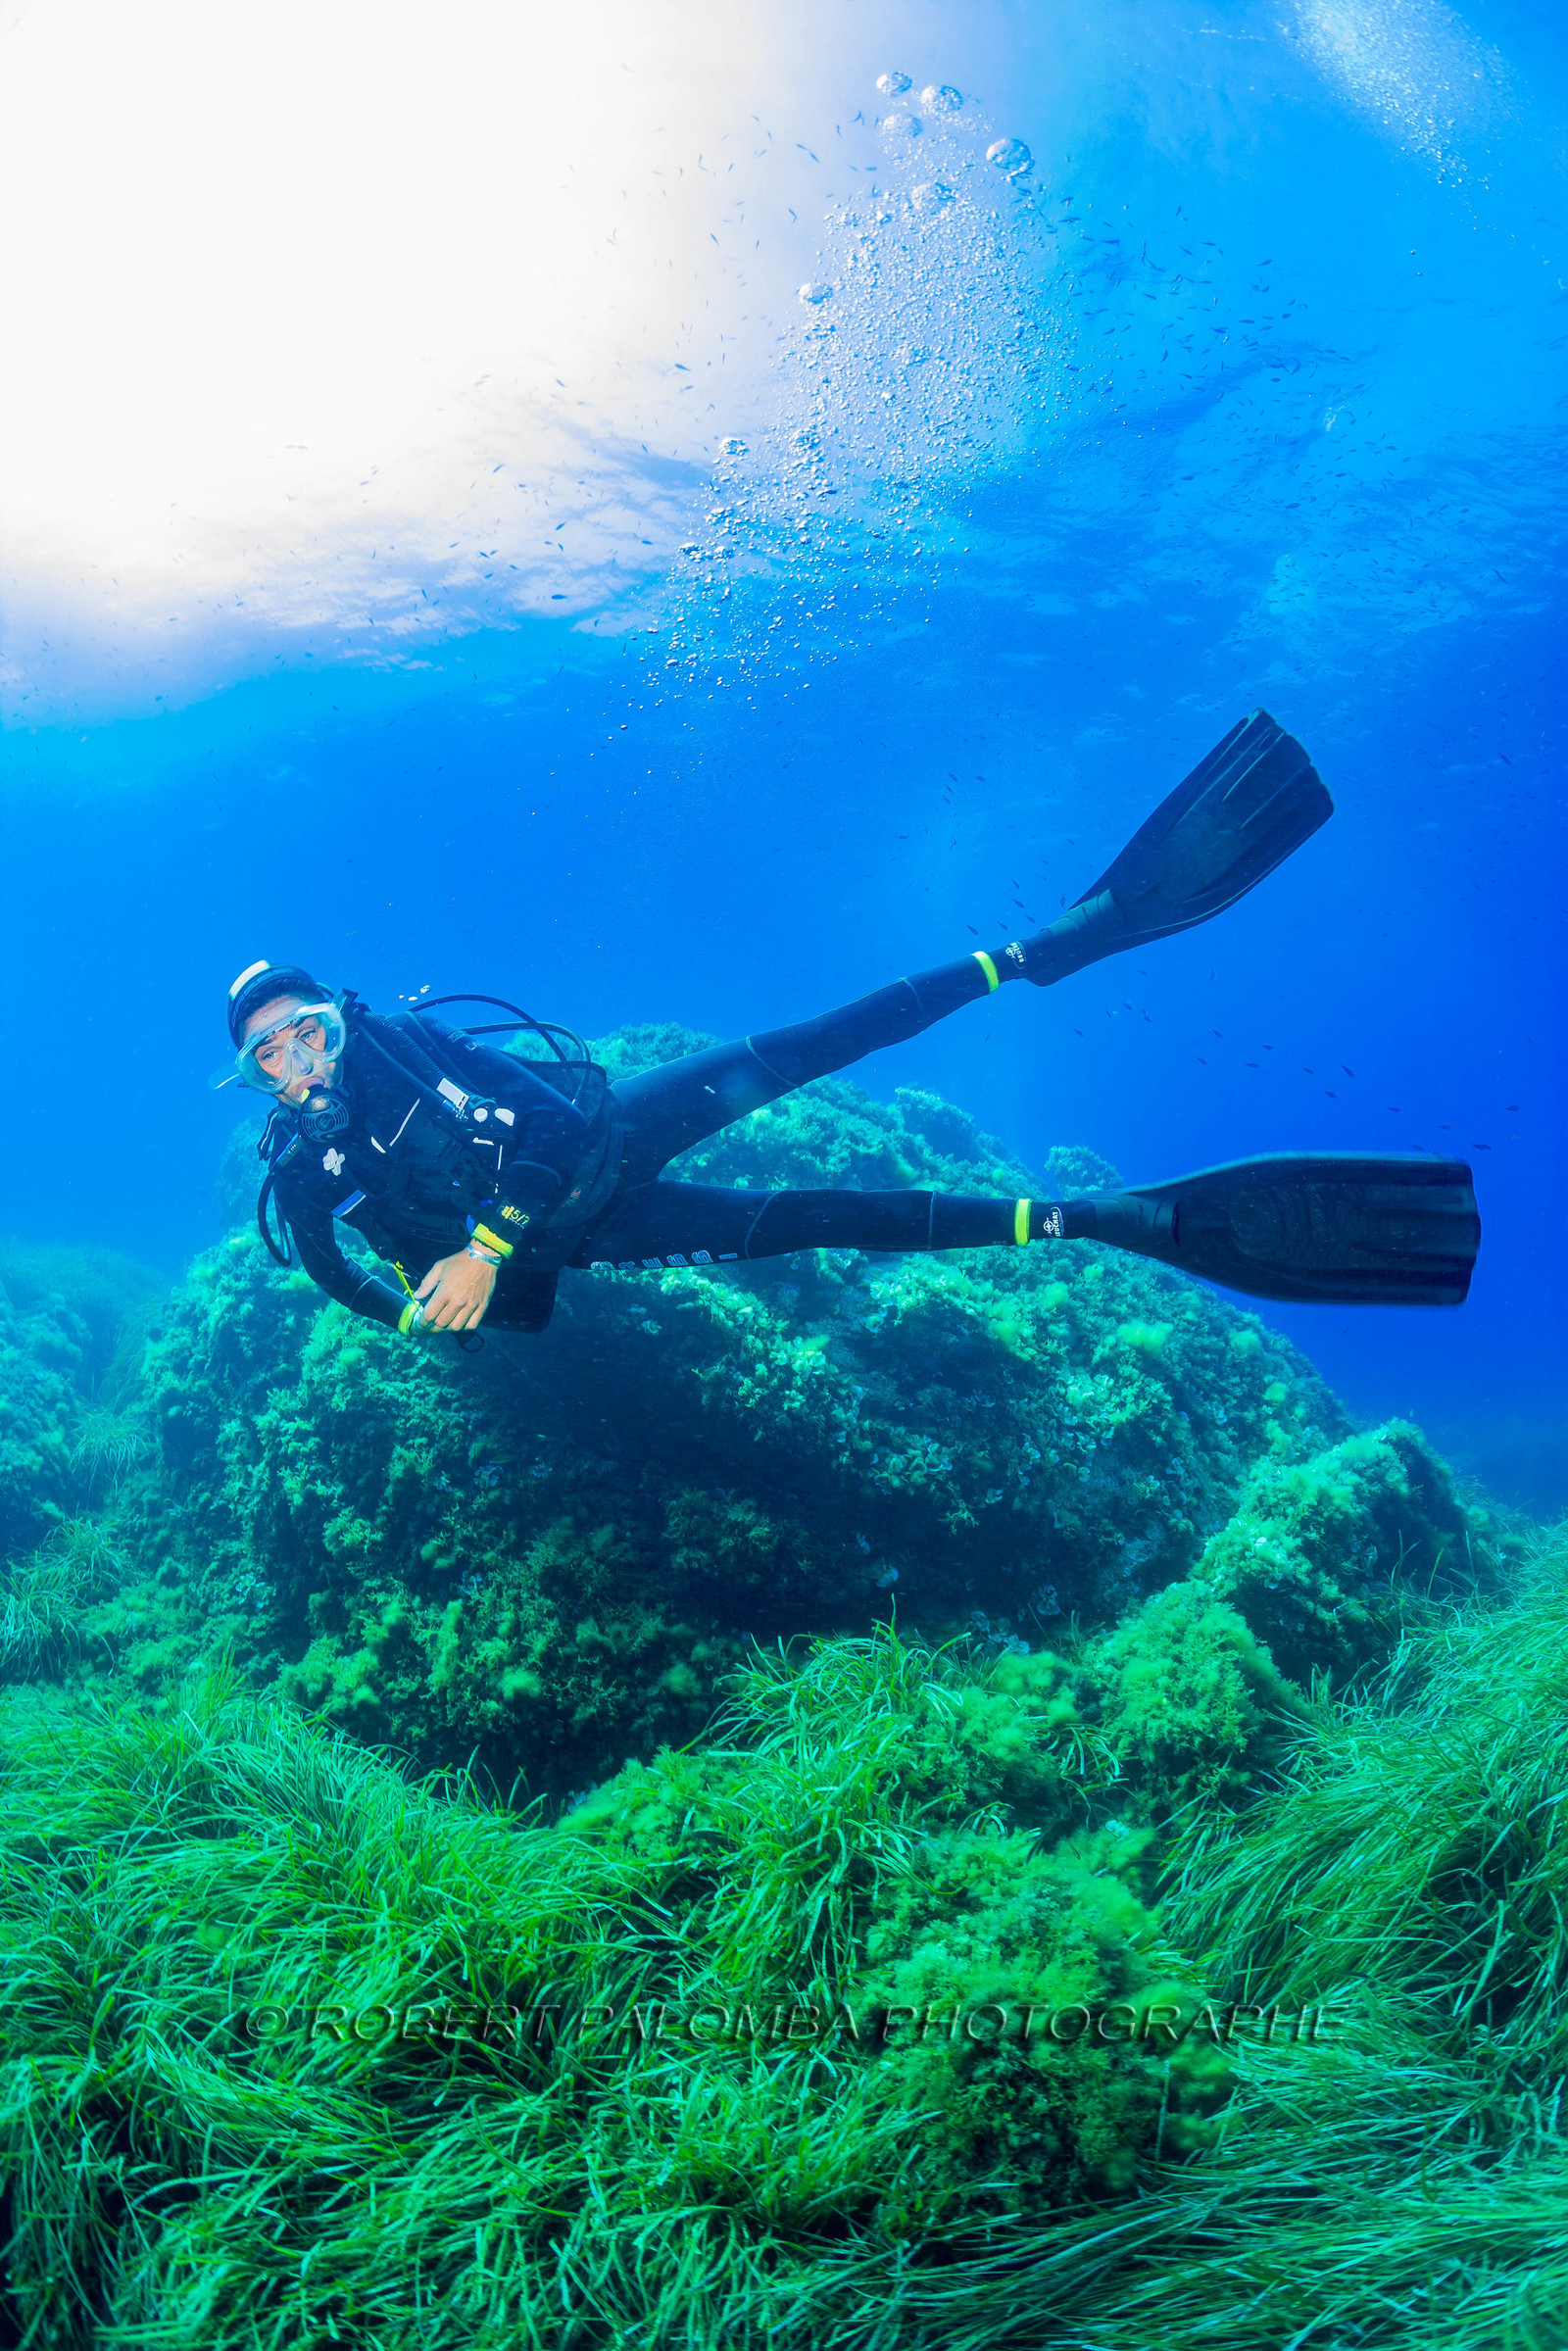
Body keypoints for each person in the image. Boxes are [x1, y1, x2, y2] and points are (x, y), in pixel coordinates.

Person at [218, 711, 1480, 1334]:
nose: (298, 1057)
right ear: (256, 1076)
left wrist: (486, 1245)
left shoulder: (407, 1046)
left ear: (339, 1015)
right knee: (815, 1219)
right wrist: (410, 1316)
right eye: (268, 1053)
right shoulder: (300, 1165)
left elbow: (544, 1126)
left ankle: (1053, 945)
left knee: (817, 1038)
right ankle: (1115, 1218)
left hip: (605, 1142)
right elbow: (326, 1260)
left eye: (307, 1025)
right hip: (603, 1234)